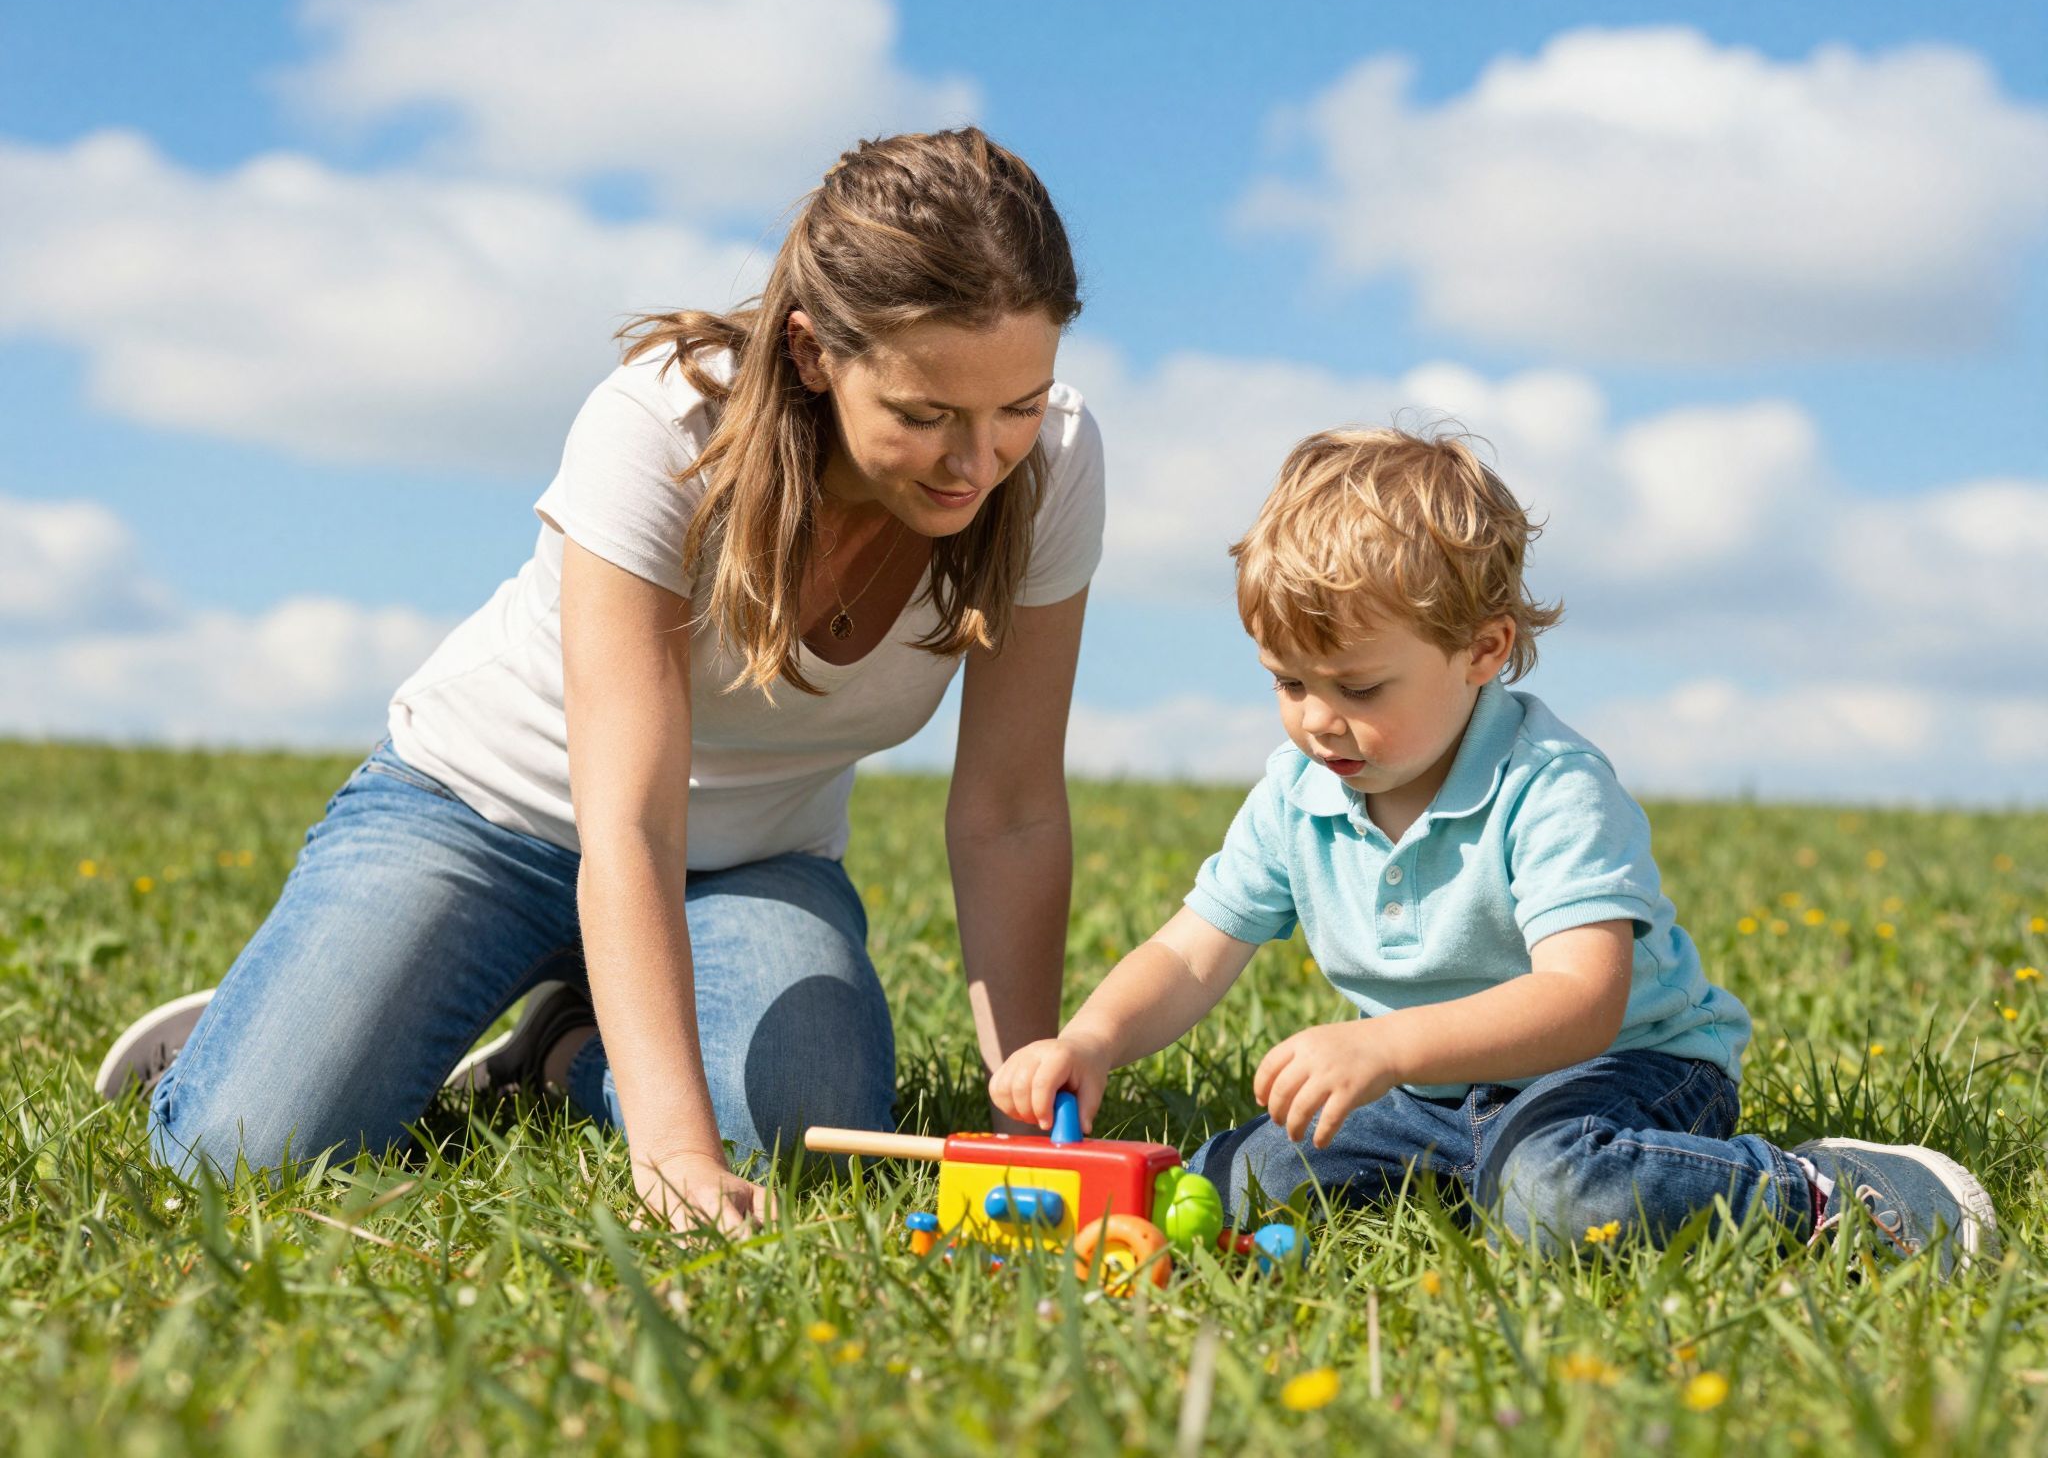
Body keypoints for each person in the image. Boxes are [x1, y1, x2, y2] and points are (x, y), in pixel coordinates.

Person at [97, 127, 1105, 1236]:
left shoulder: (1051, 467)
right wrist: (672, 1156)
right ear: (814, 352)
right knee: (248, 1153)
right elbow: (627, 820)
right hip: (482, 816)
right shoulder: (660, 428)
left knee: (798, 1129)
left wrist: (1030, 1132)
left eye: (1016, 406)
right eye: (922, 416)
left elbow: (1009, 812)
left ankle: (562, 1052)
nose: (977, 461)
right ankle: (278, 1031)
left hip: (750, 863)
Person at [989, 427, 1998, 1275]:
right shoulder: (1298, 794)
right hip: (1427, 1096)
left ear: (1483, 650)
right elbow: (1189, 953)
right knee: (1242, 1182)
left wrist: (1386, 1046)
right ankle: (1479, 1182)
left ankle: (1825, 1193)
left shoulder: (1549, 786)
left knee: (1561, 1194)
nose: (1317, 720)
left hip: (1620, 1068)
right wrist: (1092, 1038)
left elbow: (1581, 999)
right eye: (1287, 683)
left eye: (1358, 688)